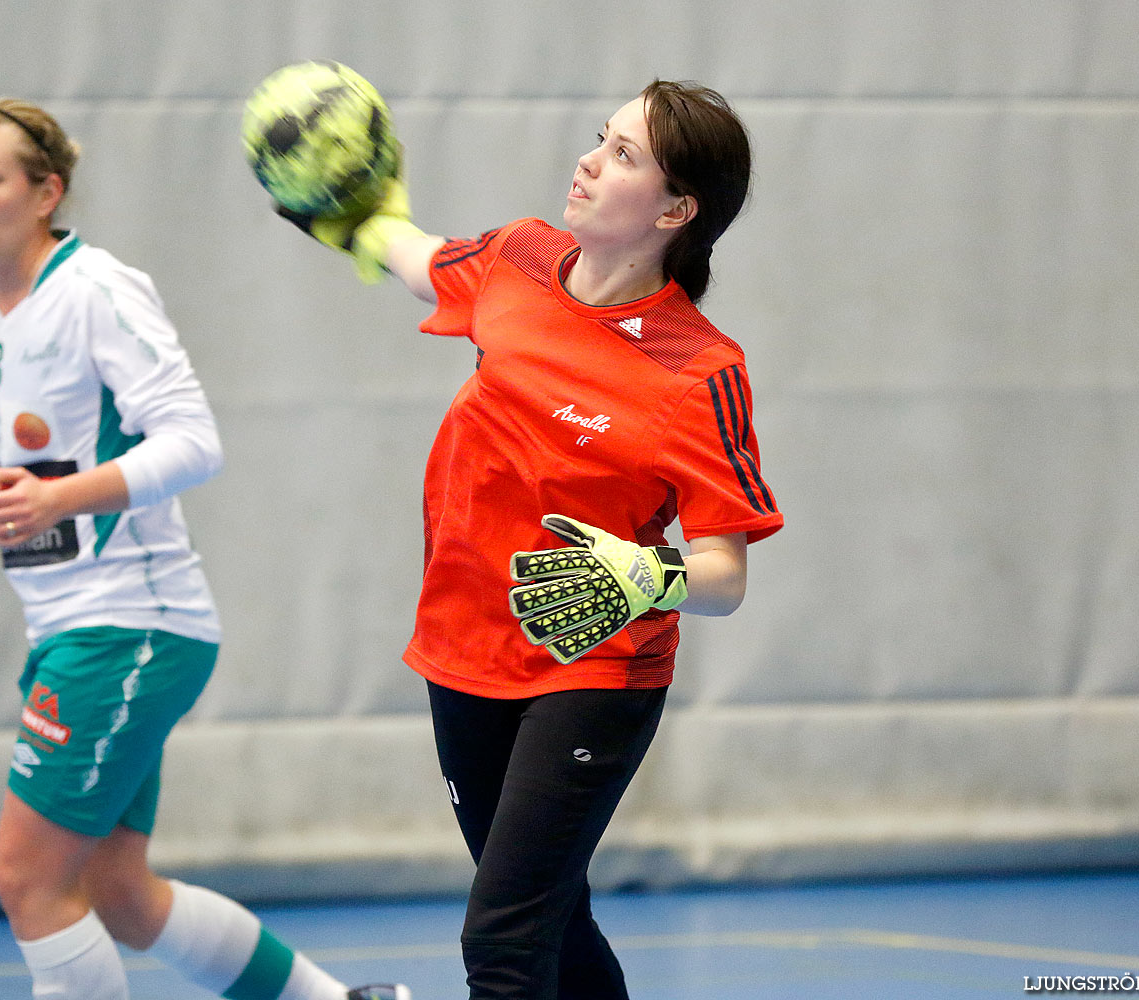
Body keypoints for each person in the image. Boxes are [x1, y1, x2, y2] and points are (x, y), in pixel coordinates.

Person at [280, 79, 784, 998]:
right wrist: (352, 213)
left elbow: (724, 573)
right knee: (556, 921)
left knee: (503, 942)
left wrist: (645, 571)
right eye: (602, 138)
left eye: (624, 155)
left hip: (591, 671)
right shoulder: (519, 257)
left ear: (677, 209)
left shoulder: (699, 370)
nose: (590, 160)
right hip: (463, 649)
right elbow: (424, 257)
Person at [0, 97, 409, 1000]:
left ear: (46, 190)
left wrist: (57, 496)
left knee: (27, 879)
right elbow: (24, 470)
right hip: (71, 627)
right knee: (119, 894)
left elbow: (192, 442)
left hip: (129, 627)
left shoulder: (96, 290)